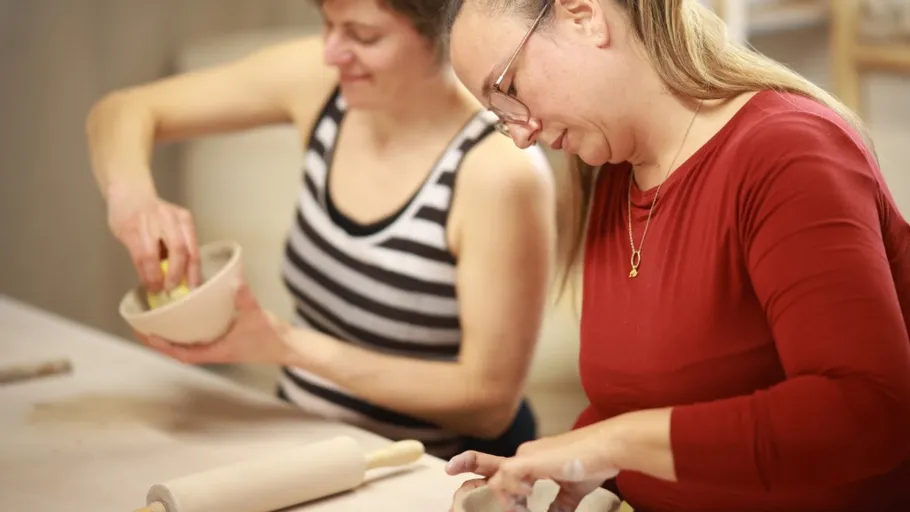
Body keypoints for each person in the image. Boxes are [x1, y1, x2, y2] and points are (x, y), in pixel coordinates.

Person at [441, 0, 910, 510]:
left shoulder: (788, 153)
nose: (518, 132)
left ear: (583, 16)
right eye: (498, 115)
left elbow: (868, 410)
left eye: (509, 90)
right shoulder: (614, 172)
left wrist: (611, 445)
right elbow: (646, 401)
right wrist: (549, 463)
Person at [85, 0, 559, 460]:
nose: (332, 51)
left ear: (443, 31)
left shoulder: (498, 172)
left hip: (423, 471)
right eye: (327, 24)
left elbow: (489, 405)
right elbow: (124, 110)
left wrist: (284, 345)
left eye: (363, 35)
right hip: (301, 445)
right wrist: (133, 201)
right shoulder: (323, 80)